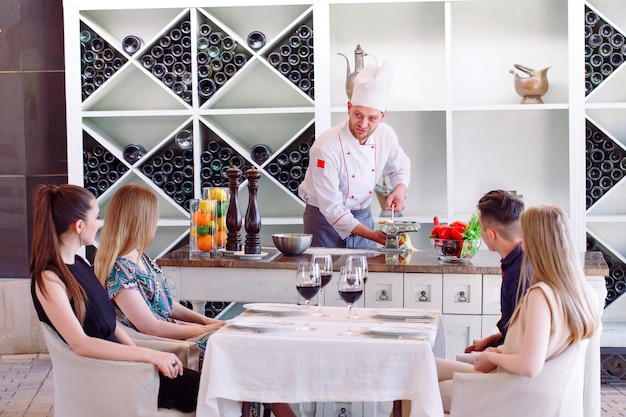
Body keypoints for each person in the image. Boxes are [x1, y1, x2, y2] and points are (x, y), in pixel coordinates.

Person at [30, 184, 200, 412]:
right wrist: (148, 356)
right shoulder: (49, 279)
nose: (100, 225)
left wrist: (147, 358)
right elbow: (81, 344)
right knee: (209, 390)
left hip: (126, 368)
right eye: (96, 218)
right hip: (109, 377)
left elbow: (112, 326)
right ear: (79, 226)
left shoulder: (81, 264)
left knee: (212, 386)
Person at [436, 204, 600, 413]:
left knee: (428, 389)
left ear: (534, 242)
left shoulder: (540, 295)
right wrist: (499, 349)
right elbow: (539, 346)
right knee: (424, 369)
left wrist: (491, 357)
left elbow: (530, 365)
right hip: (523, 385)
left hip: (512, 389)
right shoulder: (575, 292)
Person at [94, 184, 225, 358]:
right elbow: (151, 327)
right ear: (140, 221)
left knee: (232, 337)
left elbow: (166, 304)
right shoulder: (119, 271)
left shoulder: (140, 257)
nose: (155, 222)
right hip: (161, 346)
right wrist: (206, 329)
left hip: (171, 333)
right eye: (153, 217)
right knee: (226, 344)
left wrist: (207, 320)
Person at [298, 61, 411, 249]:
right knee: (324, 275)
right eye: (358, 114)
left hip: (363, 216)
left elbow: (401, 167)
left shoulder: (386, 135)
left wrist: (399, 190)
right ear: (349, 107)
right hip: (323, 221)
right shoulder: (326, 147)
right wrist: (373, 236)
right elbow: (332, 208)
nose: (363, 124)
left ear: (383, 115)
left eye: (372, 118)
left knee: (363, 276)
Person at [465, 190, 527, 352]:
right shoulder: (521, 261)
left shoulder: (519, 275)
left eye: (480, 227)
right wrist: (493, 340)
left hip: (512, 366)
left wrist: (490, 355)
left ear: (491, 234)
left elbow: (522, 343)